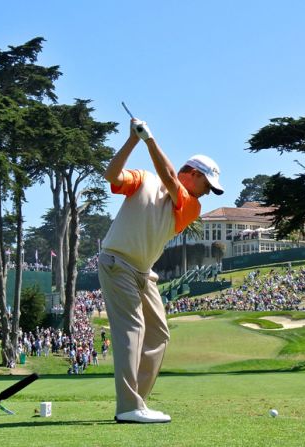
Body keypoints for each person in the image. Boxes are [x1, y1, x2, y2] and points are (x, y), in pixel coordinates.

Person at [99, 117, 224, 424]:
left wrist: (149, 140)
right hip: (117, 263)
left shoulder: (190, 206)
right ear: (193, 174)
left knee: (158, 333)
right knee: (133, 329)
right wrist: (132, 140)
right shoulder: (142, 178)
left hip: (143, 273)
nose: (207, 194)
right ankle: (128, 406)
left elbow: (169, 177)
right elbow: (111, 175)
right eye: (207, 185)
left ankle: (136, 401)